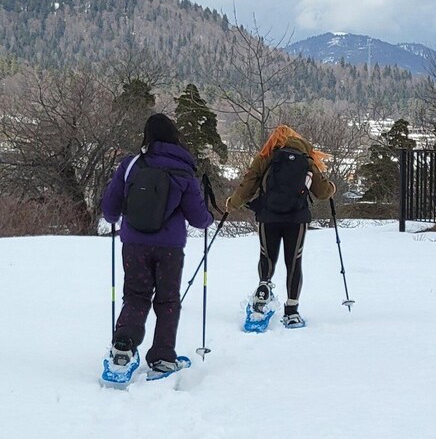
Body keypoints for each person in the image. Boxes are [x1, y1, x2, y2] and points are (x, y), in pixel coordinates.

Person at [101, 113, 213, 375]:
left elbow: (109, 209)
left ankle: (123, 345)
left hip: (134, 243)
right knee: (168, 300)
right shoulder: (184, 170)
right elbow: (198, 219)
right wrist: (209, 218)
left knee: (136, 296)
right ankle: (163, 357)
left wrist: (117, 218)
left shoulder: (130, 165)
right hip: (170, 248)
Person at [226, 124, 336, 328]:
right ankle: (292, 311)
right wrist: (332, 188)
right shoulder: (306, 159)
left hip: (269, 216)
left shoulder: (267, 156)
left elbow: (248, 185)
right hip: (297, 218)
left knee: (266, 255)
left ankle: (262, 291)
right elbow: (322, 192)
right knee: (294, 260)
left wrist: (231, 203)